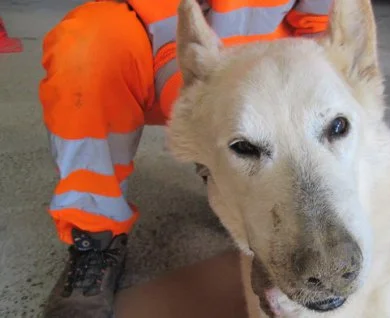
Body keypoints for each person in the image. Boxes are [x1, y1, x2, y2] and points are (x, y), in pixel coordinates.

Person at [38, 0, 331, 316]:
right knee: (84, 46)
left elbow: (320, 27)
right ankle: (96, 235)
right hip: (150, 43)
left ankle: (271, 217)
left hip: (254, 53)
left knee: (290, 95)